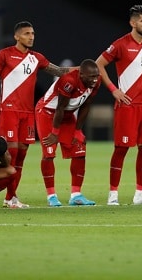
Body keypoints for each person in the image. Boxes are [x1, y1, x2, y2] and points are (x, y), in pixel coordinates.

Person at [0, 21, 70, 209]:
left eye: (32, 33)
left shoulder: (36, 58)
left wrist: (86, 68)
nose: (31, 37)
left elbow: (59, 71)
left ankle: (11, 198)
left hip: (27, 113)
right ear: (16, 36)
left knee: (21, 155)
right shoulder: (4, 54)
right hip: (9, 110)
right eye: (26, 33)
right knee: (11, 154)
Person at [96, 4, 142, 206]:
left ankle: (140, 193)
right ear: (133, 23)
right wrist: (113, 90)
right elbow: (98, 64)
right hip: (128, 106)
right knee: (121, 149)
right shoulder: (120, 44)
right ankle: (113, 194)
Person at [35, 59, 101, 207]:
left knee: (80, 150)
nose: (95, 79)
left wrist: (78, 130)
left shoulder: (96, 81)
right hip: (47, 113)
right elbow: (60, 107)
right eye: (91, 77)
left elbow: (86, 105)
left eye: (96, 76)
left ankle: (76, 195)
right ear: (81, 75)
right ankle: (51, 196)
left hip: (67, 115)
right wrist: (54, 133)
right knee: (49, 153)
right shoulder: (69, 81)